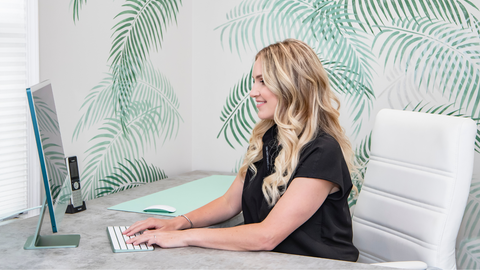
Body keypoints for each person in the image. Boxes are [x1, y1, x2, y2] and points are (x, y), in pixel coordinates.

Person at [124, 38, 359, 262]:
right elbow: (229, 203)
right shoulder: (270, 138)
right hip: (271, 259)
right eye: (254, 81)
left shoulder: (322, 151)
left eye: (263, 81)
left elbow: (267, 235)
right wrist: (179, 222)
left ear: (292, 85)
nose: (253, 92)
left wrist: (181, 237)